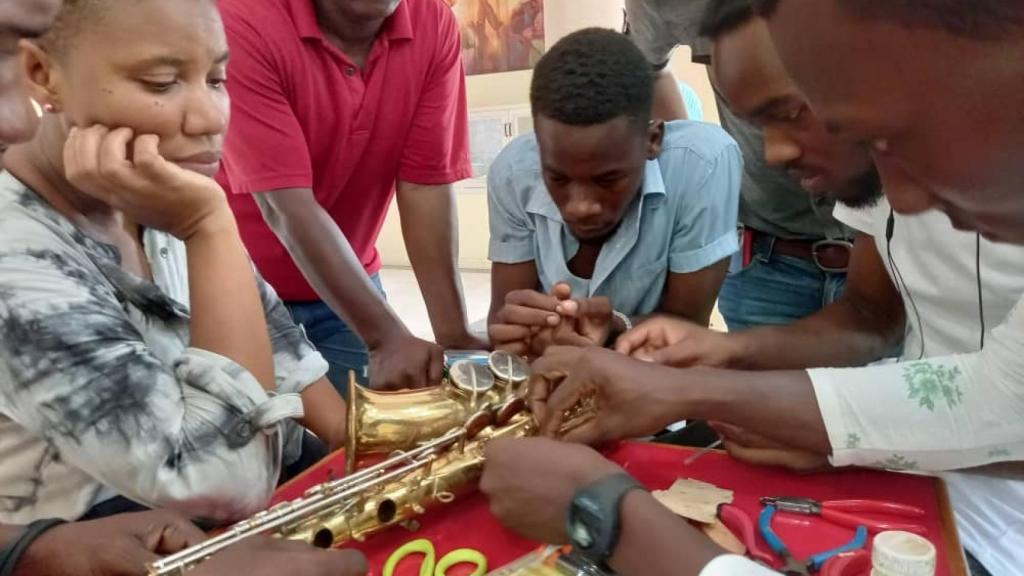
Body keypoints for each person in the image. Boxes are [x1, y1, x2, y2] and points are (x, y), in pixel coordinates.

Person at [481, 1, 1024, 574]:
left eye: (790, 110)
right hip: (904, 488)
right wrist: (726, 352)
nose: (772, 153)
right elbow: (871, 320)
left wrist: (614, 499)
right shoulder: (890, 174)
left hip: (994, 533)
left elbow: (1005, 401)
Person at [0, 2, 365, 575]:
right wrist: (209, 227)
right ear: (43, 75)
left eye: (217, 78)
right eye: (162, 83)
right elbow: (223, 480)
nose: (209, 118)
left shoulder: (150, 200)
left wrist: (394, 448)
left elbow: (293, 366)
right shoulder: (14, 250)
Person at [216, 0, 485, 394]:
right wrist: (385, 338)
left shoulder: (433, 23)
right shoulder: (242, 19)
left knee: (376, 440)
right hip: (237, 292)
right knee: (270, 446)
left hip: (349, 287)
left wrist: (454, 335)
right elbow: (285, 205)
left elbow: (424, 185)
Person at [487, 28, 741, 359]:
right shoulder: (513, 174)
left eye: (608, 180)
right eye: (558, 178)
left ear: (653, 140)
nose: (581, 207)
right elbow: (501, 321)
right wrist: (518, 332)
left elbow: (688, 325)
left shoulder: (703, 167)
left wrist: (617, 326)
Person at [624, 0, 853, 332]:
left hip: (900, 252)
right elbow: (642, 69)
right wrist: (702, 162)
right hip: (766, 263)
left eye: (789, 112)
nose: (775, 152)